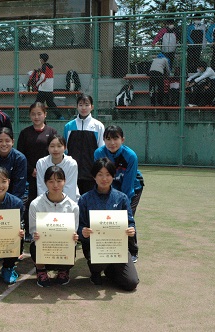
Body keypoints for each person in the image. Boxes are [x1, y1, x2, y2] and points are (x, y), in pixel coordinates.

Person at [78, 157, 139, 291]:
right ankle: (96, 272)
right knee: (101, 260)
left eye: (108, 175)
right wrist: (83, 232)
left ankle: (111, 271)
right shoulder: (85, 199)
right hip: (95, 247)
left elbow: (130, 222)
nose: (104, 178)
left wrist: (131, 230)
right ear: (94, 176)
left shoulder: (121, 198)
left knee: (131, 283)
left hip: (118, 247)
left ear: (113, 176)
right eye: (100, 174)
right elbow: (79, 226)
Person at [94, 125, 145, 263]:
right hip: (109, 187)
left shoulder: (131, 156)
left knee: (126, 218)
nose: (112, 142)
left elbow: (127, 187)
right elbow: (99, 177)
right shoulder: (98, 153)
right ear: (103, 140)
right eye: (108, 139)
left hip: (132, 189)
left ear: (122, 139)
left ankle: (132, 251)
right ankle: (107, 247)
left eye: (116, 138)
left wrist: (121, 204)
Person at [29, 165, 79, 287]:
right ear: (45, 182)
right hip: (45, 247)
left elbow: (74, 229)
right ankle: (41, 270)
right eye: (51, 181)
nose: (55, 185)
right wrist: (35, 235)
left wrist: (74, 237)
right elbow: (32, 230)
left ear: (65, 182)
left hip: (63, 247)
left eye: (59, 181)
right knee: (34, 246)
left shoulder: (73, 206)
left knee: (72, 245)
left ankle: (64, 270)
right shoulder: (36, 204)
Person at [17, 102, 58, 241]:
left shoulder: (52, 132)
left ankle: (49, 229)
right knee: (31, 203)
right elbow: (21, 155)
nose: (36, 116)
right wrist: (31, 170)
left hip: (48, 176)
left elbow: (55, 152)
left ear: (45, 114)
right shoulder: (25, 133)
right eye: (33, 114)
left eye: (39, 113)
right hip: (30, 176)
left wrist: (46, 172)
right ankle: (29, 230)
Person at [63, 94, 105, 194]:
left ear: (92, 107)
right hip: (72, 174)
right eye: (81, 105)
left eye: (87, 105)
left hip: (91, 174)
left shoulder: (98, 126)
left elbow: (101, 150)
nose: (83, 108)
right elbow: (65, 151)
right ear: (77, 106)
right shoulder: (68, 126)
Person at [0, 127, 27, 202]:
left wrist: (11, 203)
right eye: (0, 141)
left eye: (7, 141)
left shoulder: (20, 158)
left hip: (16, 198)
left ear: (13, 142)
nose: (4, 144)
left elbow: (19, 186)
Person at [36, 134, 79, 203]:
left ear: (65, 147)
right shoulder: (41, 163)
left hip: (68, 202)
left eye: (59, 146)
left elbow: (70, 188)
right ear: (48, 148)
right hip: (46, 202)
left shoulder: (71, 163)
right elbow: (41, 187)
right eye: (52, 146)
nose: (55, 149)